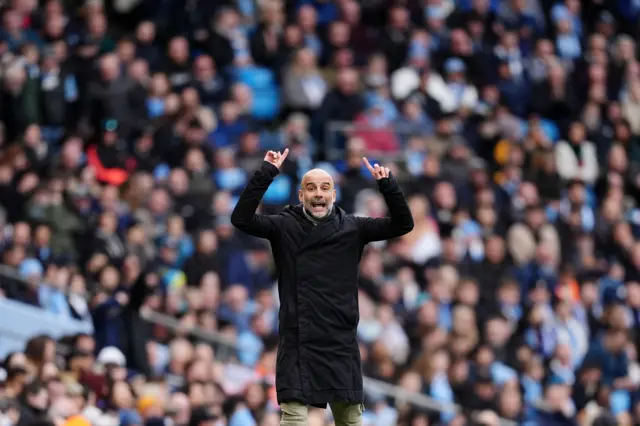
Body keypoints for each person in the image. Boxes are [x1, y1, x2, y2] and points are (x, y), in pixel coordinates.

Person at [231, 149, 414, 425]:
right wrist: (266, 172)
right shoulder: (284, 225)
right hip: (298, 338)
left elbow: (403, 224)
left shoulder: (353, 227)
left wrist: (386, 184)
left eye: (325, 188)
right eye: (311, 188)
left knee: (350, 418)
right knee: (293, 415)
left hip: (339, 339)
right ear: (301, 195)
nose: (318, 193)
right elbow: (241, 219)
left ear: (334, 195)